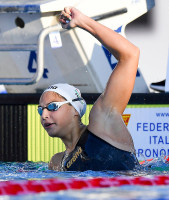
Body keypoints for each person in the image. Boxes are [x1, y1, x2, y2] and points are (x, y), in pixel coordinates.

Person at [38, 7, 140, 171]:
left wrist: (82, 22)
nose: (44, 115)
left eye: (52, 107)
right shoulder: (57, 162)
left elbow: (130, 55)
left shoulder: (102, 122)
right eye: (40, 109)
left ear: (75, 111)